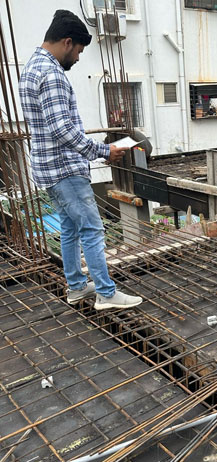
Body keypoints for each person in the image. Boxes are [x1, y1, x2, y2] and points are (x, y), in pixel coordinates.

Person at [19, 10, 142, 310]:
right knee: (92, 229)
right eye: (78, 51)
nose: (77, 58)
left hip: (48, 169)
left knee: (70, 228)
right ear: (67, 42)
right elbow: (63, 129)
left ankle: (76, 287)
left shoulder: (32, 66)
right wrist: (103, 151)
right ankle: (106, 293)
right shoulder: (51, 74)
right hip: (64, 170)